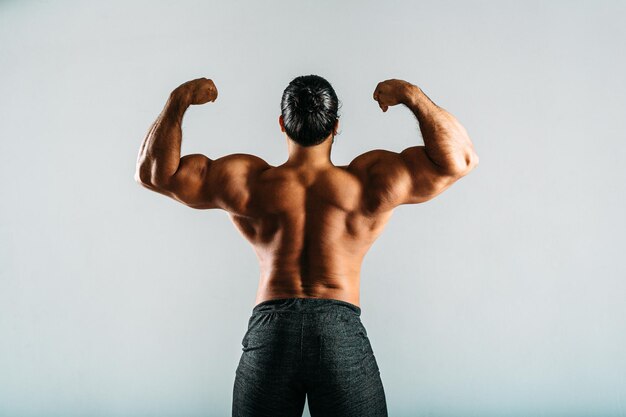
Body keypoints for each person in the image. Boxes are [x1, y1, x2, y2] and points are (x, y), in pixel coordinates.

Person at [135, 74, 479, 417]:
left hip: (271, 336)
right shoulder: (369, 181)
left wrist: (178, 99)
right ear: (336, 126)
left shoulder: (247, 181)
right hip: (338, 333)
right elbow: (460, 159)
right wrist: (412, 96)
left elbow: (154, 173)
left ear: (282, 124)